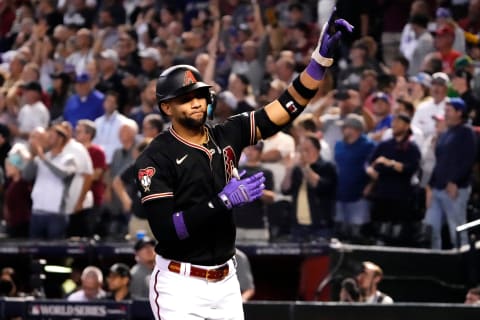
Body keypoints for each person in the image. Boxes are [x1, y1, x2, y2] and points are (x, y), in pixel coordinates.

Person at [134, 10, 353, 320]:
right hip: (179, 284)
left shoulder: (227, 133)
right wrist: (223, 201)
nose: (196, 103)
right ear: (167, 107)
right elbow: (167, 230)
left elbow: (285, 109)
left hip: (226, 282)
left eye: (199, 94)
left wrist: (319, 62)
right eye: (185, 98)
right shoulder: (155, 157)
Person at [424, 98, 476, 249]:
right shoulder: (446, 134)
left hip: (455, 189)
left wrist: (455, 181)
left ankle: (464, 264)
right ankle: (435, 263)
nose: (445, 114)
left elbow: (469, 159)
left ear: (459, 113)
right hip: (437, 188)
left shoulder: (466, 132)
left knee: (457, 230)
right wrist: (430, 185)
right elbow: (439, 162)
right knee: (432, 228)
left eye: (448, 110)